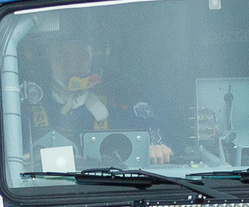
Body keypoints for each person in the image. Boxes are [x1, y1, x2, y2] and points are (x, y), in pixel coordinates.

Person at [20, 34, 172, 167]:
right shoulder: (24, 107)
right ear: (47, 64)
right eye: (61, 58)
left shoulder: (118, 102)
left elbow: (151, 129)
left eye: (81, 56)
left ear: (93, 60)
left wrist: (155, 146)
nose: (72, 67)